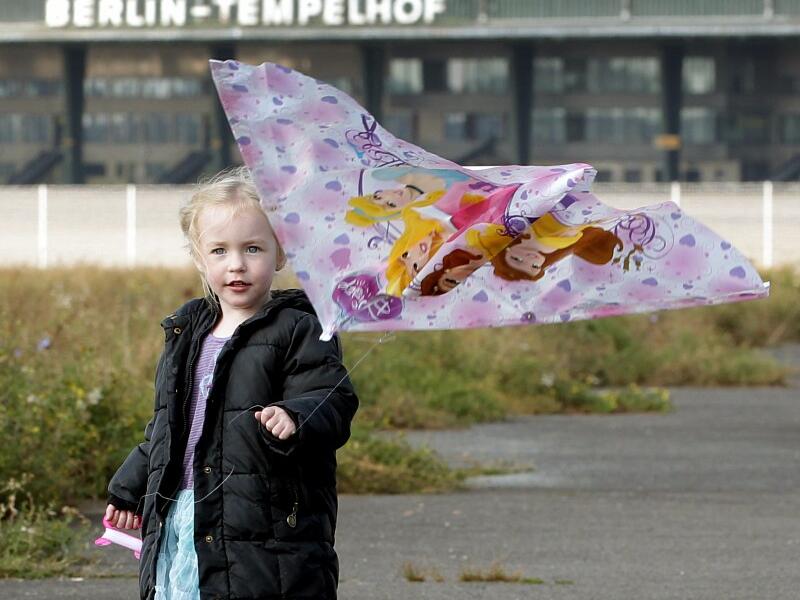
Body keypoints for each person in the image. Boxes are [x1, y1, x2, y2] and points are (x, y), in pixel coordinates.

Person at [105, 166, 359, 600]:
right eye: (220, 251)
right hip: (185, 515)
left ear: (280, 254)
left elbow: (332, 399)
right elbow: (167, 428)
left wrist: (296, 416)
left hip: (263, 523)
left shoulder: (299, 329)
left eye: (254, 248)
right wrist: (129, 488)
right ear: (200, 258)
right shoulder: (187, 333)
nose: (236, 264)